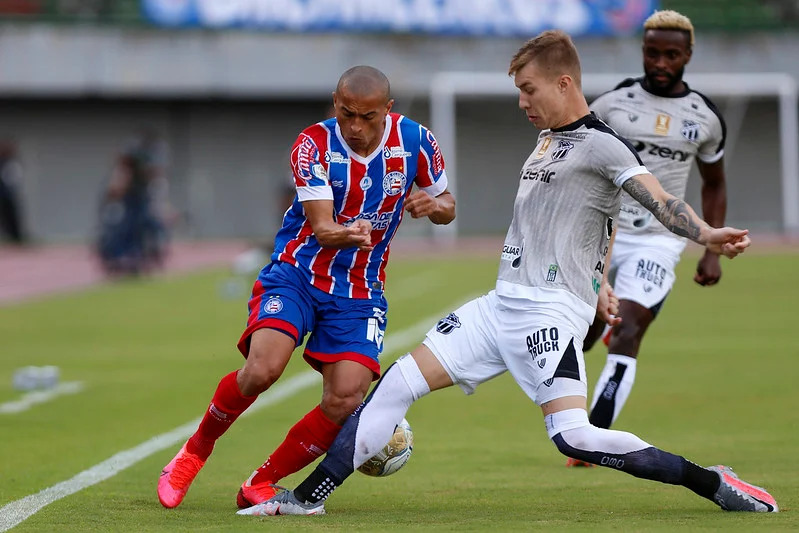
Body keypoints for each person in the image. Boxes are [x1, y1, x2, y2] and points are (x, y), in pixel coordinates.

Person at [239, 31, 777, 517]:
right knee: (392, 388)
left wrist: (706, 234)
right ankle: (306, 501)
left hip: (546, 315)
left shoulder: (602, 144)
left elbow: (656, 200)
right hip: (500, 307)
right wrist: (603, 282)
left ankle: (712, 482)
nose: (522, 101)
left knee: (574, 438)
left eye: (528, 89)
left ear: (564, 83)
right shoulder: (548, 140)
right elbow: (597, 221)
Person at [157, 65, 456, 509]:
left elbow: (449, 206)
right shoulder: (313, 143)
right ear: (335, 104)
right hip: (298, 273)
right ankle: (193, 452)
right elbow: (320, 227)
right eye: (345, 113)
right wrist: (349, 233)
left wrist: (433, 205)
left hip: (359, 288)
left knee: (346, 397)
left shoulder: (417, 142)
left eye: (366, 117)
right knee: (262, 370)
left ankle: (260, 481)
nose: (354, 126)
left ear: (387, 111)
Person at [567, 11, 729, 465]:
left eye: (671, 54)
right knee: (582, 333)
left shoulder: (706, 117)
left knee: (629, 330)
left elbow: (714, 184)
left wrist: (711, 251)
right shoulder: (611, 104)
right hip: (601, 231)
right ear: (643, 51)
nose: (660, 62)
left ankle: (590, 442)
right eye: (652, 52)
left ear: (688, 55)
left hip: (660, 238)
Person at [97, 130, 173, 275]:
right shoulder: (126, 169)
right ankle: (120, 259)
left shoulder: (146, 170)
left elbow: (155, 177)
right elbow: (116, 188)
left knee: (151, 225)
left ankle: (144, 256)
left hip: (140, 201)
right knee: (123, 229)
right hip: (128, 203)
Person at [0, 140, 27, 245]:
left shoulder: (11, 162)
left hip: (7, 196)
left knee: (11, 218)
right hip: (4, 195)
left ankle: (16, 237)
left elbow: (13, 179)